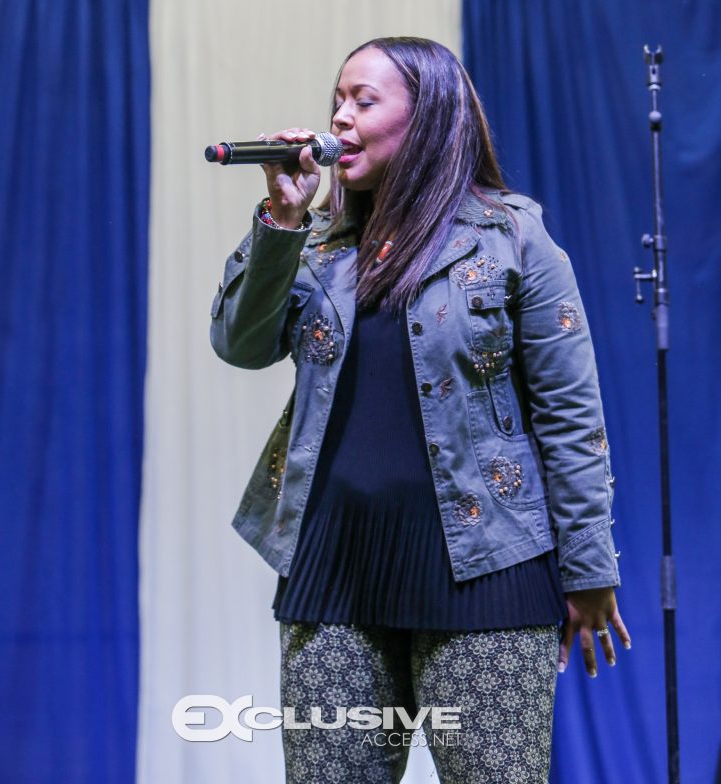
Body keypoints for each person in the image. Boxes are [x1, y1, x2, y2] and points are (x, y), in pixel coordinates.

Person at [210, 36, 631, 784]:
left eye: (363, 101)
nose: (339, 118)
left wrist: (588, 566)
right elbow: (241, 344)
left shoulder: (512, 239)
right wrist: (281, 221)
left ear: (429, 116)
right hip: (330, 573)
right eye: (337, 100)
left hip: (488, 572)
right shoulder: (315, 245)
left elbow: (571, 419)